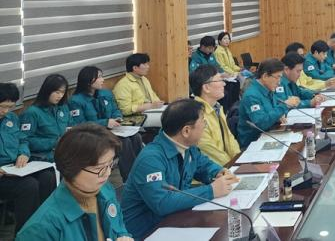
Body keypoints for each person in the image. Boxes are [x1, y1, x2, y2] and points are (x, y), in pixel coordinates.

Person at [121, 99, 238, 239]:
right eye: (203, 123)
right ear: (186, 131)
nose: (204, 127)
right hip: (147, 232)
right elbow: (162, 203)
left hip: (176, 220)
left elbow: (203, 165)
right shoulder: (150, 159)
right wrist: (211, 191)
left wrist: (218, 172)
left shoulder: (188, 147)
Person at [16, 123, 132, 241]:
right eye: (99, 168)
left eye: (110, 164)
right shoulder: (40, 230)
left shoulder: (105, 189)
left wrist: (123, 236)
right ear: (71, 168)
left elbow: (119, 227)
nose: (108, 173)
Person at [0, 83, 56, 234]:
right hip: (2, 174)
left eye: (10, 107)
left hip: (15, 167)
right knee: (29, 186)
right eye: (2, 106)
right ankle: (26, 234)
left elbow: (23, 140)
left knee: (48, 177)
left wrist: (23, 153)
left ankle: (44, 225)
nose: (5, 111)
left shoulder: (11, 118)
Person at [70, 66, 144, 181]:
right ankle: (130, 180)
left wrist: (117, 117)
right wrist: (105, 123)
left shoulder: (106, 94)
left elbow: (115, 109)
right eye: (99, 77)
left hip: (112, 130)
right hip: (93, 136)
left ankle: (143, 172)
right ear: (89, 80)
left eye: (102, 76)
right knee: (123, 142)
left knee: (136, 136)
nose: (103, 80)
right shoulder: (76, 101)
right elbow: (80, 125)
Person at [189, 65, 240, 166]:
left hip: (227, 166)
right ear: (206, 87)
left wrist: (238, 160)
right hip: (213, 170)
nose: (224, 84)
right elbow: (209, 150)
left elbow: (229, 140)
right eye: (220, 80)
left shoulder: (217, 108)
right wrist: (231, 165)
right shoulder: (196, 115)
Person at [237, 59, 289, 148]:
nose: (279, 82)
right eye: (277, 77)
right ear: (265, 76)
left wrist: (278, 116)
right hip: (253, 143)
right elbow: (261, 123)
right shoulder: (251, 96)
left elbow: (272, 110)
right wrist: (284, 106)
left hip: (269, 134)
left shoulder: (267, 88)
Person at [21, 73, 72, 162]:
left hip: (64, 151)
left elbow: (71, 125)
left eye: (63, 92)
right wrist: (53, 142)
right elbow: (26, 140)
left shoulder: (63, 107)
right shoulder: (32, 112)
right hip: (43, 156)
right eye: (57, 92)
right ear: (47, 91)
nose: (60, 96)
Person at [113, 53, 163, 121]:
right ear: (135, 68)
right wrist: (149, 106)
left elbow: (152, 94)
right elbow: (125, 110)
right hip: (137, 117)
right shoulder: (123, 85)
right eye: (144, 64)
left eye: (147, 64)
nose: (148, 67)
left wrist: (158, 103)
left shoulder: (144, 79)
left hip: (150, 111)